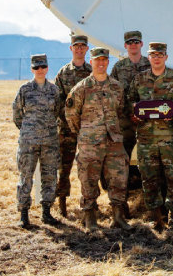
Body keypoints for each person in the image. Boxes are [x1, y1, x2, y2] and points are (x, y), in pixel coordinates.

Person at [66, 47, 132, 232]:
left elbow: (121, 111)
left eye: (104, 60)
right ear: (92, 61)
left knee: (119, 179)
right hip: (90, 143)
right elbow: (71, 115)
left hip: (114, 142)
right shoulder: (81, 88)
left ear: (108, 62)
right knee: (88, 180)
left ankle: (118, 217)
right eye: (97, 60)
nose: (101, 63)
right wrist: (85, 134)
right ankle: (90, 218)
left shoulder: (117, 87)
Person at [127, 42, 173, 231]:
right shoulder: (139, 79)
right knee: (149, 179)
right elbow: (129, 101)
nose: (157, 58)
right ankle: (156, 217)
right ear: (149, 57)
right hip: (146, 139)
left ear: (166, 57)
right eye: (153, 55)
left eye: (160, 54)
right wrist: (134, 113)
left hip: (170, 138)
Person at [12, 53, 61, 228]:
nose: (39, 70)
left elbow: (57, 112)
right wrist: (28, 130)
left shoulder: (54, 91)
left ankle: (46, 212)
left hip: (49, 142)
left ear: (47, 68)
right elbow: (17, 114)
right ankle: (24, 214)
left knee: (50, 176)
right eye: (36, 67)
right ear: (31, 69)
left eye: (42, 67)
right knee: (26, 177)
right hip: (28, 142)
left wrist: (45, 129)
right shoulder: (24, 90)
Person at [54, 33, 92, 217]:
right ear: (71, 48)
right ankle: (62, 204)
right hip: (67, 130)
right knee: (64, 167)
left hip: (87, 129)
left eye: (82, 46)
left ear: (86, 49)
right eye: (76, 46)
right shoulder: (62, 73)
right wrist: (70, 119)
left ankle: (90, 205)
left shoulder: (92, 72)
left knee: (88, 168)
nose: (79, 49)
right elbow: (58, 101)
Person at [110, 30, 151, 159]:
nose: (133, 45)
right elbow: (113, 93)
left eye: (136, 42)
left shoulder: (151, 65)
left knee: (149, 157)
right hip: (126, 120)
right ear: (125, 45)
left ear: (141, 44)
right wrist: (130, 112)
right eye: (129, 42)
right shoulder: (118, 67)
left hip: (148, 118)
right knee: (124, 157)